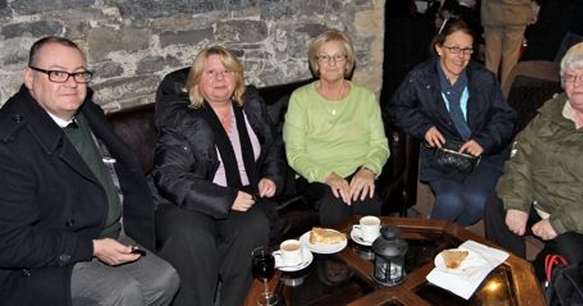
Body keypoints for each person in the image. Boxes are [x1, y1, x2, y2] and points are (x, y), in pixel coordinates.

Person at [0, 36, 179, 306]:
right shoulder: (10, 144)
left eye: (80, 74)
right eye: (57, 73)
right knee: (122, 292)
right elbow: (11, 244)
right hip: (47, 258)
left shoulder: (83, 111)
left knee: (165, 279)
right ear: (29, 77)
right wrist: (91, 248)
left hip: (104, 232)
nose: (72, 83)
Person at [484, 41, 583, 295]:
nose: (577, 83)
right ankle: (509, 279)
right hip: (541, 203)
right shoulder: (553, 110)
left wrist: (559, 222)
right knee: (495, 205)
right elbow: (521, 154)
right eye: (570, 76)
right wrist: (517, 202)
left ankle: (530, 293)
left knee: (564, 251)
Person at [152, 46, 287, 306]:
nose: (219, 78)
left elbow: (272, 146)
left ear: (237, 77)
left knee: (255, 226)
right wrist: (225, 198)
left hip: (242, 195)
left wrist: (271, 176)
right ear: (196, 81)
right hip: (187, 201)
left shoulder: (251, 107)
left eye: (227, 71)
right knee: (191, 239)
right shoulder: (181, 117)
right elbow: (168, 175)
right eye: (210, 72)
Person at [385, 19, 516, 227]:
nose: (461, 57)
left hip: (485, 155)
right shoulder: (420, 77)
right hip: (445, 155)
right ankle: (433, 244)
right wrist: (424, 127)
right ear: (439, 48)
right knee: (451, 202)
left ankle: (440, 242)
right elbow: (396, 109)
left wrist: (483, 141)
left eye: (467, 50)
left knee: (476, 202)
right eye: (454, 48)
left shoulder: (484, 78)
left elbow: (505, 117)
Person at [283, 29, 390, 228]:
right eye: (325, 57)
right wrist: (329, 176)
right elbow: (295, 154)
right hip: (317, 175)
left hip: (359, 170)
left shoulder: (365, 97)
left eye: (338, 57)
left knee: (367, 202)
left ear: (347, 62)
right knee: (334, 204)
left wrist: (369, 170)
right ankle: (336, 258)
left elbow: (380, 145)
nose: (332, 63)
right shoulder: (300, 98)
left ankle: (363, 258)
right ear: (316, 63)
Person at [481, 0, 537, 86]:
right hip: (517, 13)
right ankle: (505, 93)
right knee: (510, 60)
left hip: (492, 11)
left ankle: (487, 91)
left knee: (491, 59)